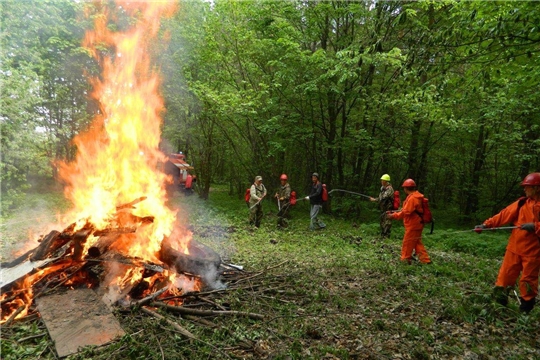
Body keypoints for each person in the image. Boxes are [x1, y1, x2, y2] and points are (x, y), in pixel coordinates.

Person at [475, 172, 540, 313]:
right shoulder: (522, 203)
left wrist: (536, 226)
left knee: (528, 281)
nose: (524, 189)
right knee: (505, 276)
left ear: (537, 188)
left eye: (527, 186)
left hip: (533, 251)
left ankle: (525, 311)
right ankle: (498, 305)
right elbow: (504, 215)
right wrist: (486, 225)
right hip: (514, 248)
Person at [387, 179, 431, 264]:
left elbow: (405, 212)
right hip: (417, 224)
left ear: (406, 188)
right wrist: (395, 212)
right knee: (416, 242)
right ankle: (425, 260)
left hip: (413, 225)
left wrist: (393, 216)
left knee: (407, 243)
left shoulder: (413, 198)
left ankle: (405, 260)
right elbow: (407, 210)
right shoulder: (415, 196)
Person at [370, 174, 394, 239]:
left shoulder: (389, 189)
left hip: (388, 208)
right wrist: (375, 199)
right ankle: (383, 235)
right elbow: (380, 197)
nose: (381, 181)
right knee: (382, 222)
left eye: (382, 180)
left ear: (386, 181)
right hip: (383, 208)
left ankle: (386, 236)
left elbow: (383, 197)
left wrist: (375, 199)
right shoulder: (383, 189)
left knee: (387, 222)